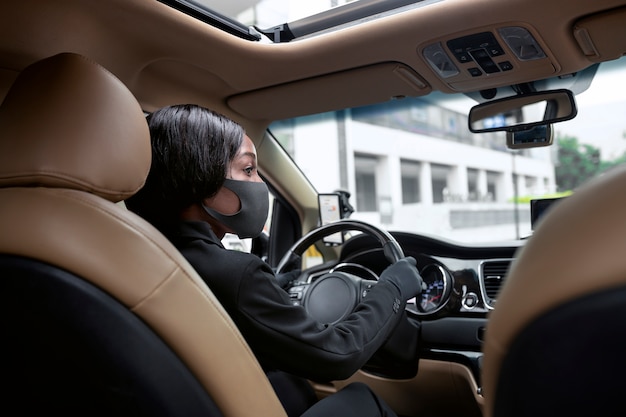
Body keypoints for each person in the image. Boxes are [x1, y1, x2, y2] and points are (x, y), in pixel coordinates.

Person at [126, 104, 423, 417]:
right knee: (364, 399)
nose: (259, 185)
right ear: (201, 177)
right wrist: (393, 287)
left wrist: (274, 286)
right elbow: (337, 354)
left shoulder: (145, 253)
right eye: (249, 170)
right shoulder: (234, 273)